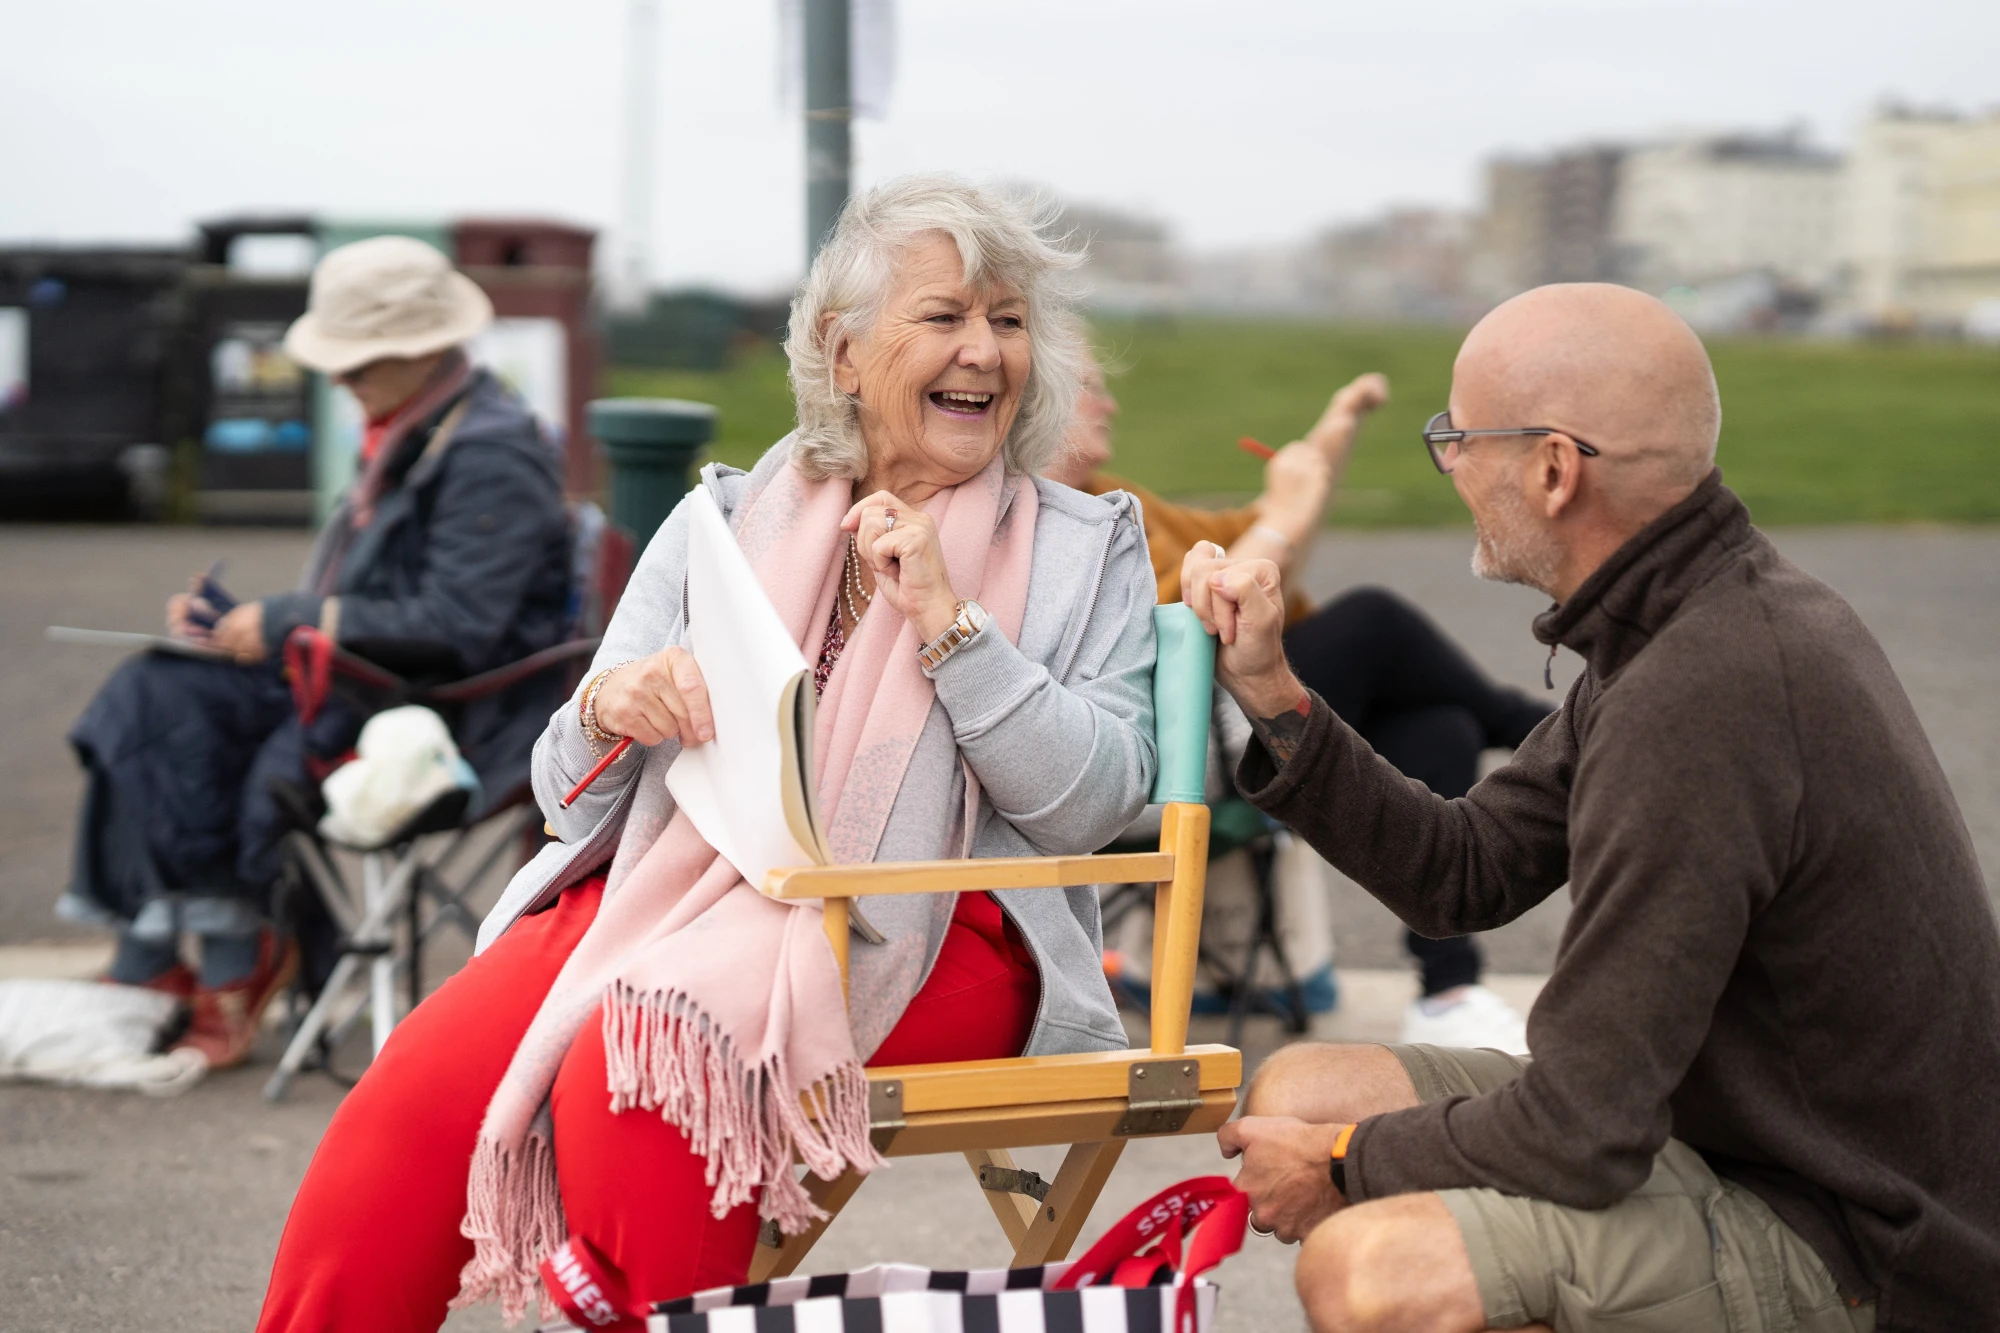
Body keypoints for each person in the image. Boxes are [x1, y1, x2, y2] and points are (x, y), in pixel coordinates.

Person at [254, 176, 1160, 1332]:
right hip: (667, 883)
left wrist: (951, 623)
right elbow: (559, 793)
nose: (983, 351)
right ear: (842, 353)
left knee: (647, 1051)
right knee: (415, 1096)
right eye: (943, 317)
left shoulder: (1084, 547)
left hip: (941, 921)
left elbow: (1092, 803)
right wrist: (609, 707)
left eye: (1009, 320)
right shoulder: (720, 523)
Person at [1187, 282, 2000, 1332]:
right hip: (1734, 1137)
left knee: (1372, 1272)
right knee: (1296, 1086)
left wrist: (1346, 1165)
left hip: (1865, 1240)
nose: (1446, 467)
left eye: (1456, 438)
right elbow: (1461, 871)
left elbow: (1581, 1127)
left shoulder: (1705, 689)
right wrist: (1272, 695)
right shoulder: (1682, 621)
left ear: (1552, 467)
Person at [60, 235, 572, 1069]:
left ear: (422, 348)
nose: (342, 378)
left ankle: (226, 955)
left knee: (169, 708)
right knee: (154, 692)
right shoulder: (432, 423)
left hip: (450, 713)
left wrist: (297, 616)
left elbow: (462, 624)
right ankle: (159, 950)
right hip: (382, 683)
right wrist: (250, 623)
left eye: (359, 362)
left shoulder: (488, 452)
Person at [1046, 356, 1549, 1050]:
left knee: (1439, 724)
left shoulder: (1114, 497)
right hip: (1166, 758)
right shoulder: (1047, 524)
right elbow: (1204, 623)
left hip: (1217, 727)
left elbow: (1254, 533)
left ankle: (1448, 990)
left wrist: (1331, 439)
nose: (1109, 406)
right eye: (1090, 390)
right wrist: (1286, 510)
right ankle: (1557, 737)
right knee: (1372, 619)